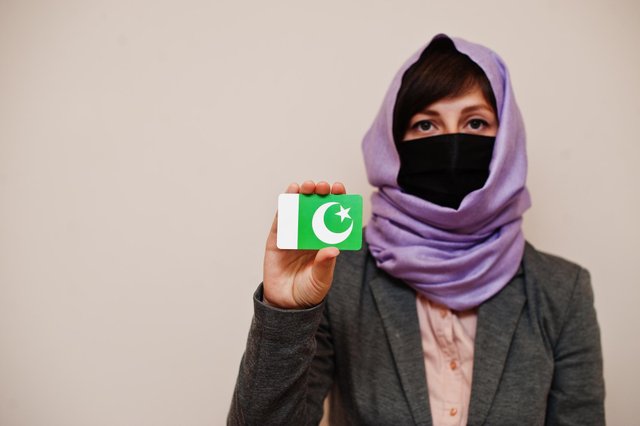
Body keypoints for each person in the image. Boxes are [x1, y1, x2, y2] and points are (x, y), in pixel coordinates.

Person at [228, 34, 605, 425]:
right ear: (392, 144)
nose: (451, 143)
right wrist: (286, 314)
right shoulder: (337, 274)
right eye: (425, 124)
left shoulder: (563, 290)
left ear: (507, 141)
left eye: (476, 122)